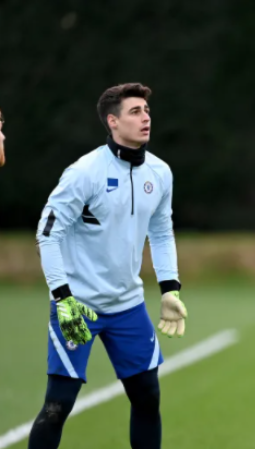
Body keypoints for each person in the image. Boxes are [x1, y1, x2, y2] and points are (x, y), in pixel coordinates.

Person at [30, 83, 187, 449]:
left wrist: (170, 289)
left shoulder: (160, 172)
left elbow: (161, 233)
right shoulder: (84, 172)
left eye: (147, 110)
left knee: (147, 396)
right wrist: (63, 297)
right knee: (57, 406)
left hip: (128, 305)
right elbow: (47, 235)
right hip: (77, 306)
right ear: (113, 122)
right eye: (135, 111)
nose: (146, 117)